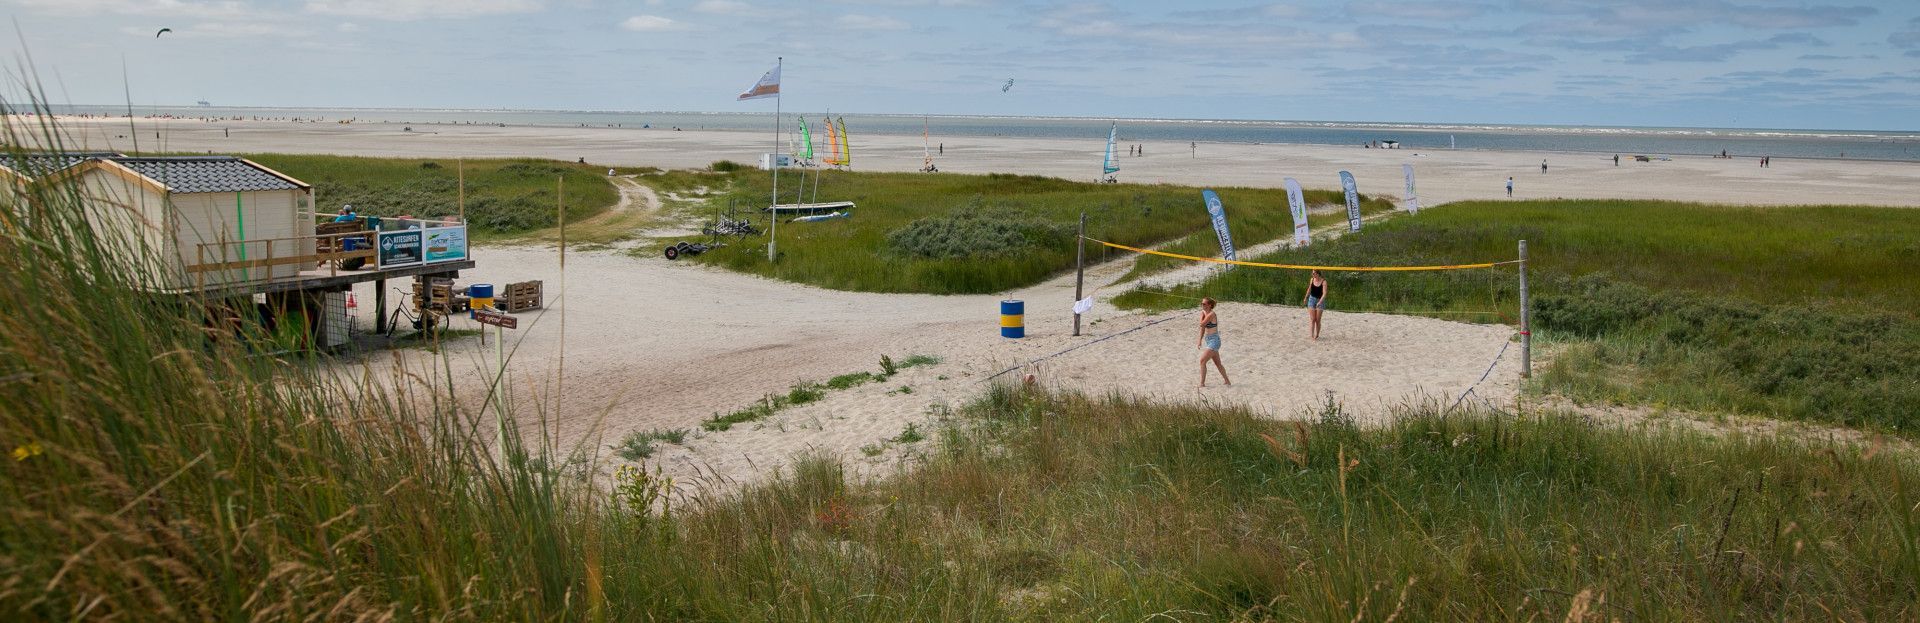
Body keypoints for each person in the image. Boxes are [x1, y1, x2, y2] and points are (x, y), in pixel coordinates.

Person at [1197, 297, 1230, 387]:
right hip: (1208, 340)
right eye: (1201, 304)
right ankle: (1227, 381)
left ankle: (1202, 383)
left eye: (1204, 304)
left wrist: (1202, 315)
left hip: (1215, 341)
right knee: (1218, 364)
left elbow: (1202, 324)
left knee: (1202, 361)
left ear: (1209, 305)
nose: (1202, 305)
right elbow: (1202, 328)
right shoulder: (1204, 313)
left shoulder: (1212, 314)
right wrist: (1199, 340)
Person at [1303, 270, 1328, 341]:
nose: (1312, 274)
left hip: (1320, 300)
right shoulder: (1312, 279)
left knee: (1317, 320)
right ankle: (1312, 336)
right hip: (1311, 299)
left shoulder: (1324, 282)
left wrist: (1320, 302)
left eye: (1314, 273)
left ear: (1318, 274)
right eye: (1312, 273)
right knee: (1312, 319)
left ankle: (1317, 334)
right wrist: (1305, 297)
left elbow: (1324, 293)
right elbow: (1309, 289)